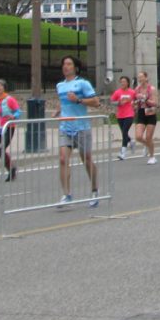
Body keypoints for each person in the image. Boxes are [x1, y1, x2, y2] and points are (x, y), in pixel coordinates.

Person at [54, 56, 101, 208]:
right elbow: (64, 102)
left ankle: (94, 191)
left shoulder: (83, 83)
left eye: (69, 64)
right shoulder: (60, 85)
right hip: (65, 127)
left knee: (86, 159)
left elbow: (96, 102)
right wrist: (59, 110)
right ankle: (66, 194)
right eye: (64, 64)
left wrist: (79, 100)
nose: (66, 67)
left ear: (75, 67)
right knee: (62, 159)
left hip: (81, 127)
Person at [133, 70, 158, 165]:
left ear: (146, 78)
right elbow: (135, 101)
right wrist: (134, 103)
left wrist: (145, 99)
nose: (140, 79)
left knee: (148, 137)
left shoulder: (151, 89)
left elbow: (155, 103)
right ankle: (147, 145)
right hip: (141, 113)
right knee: (138, 136)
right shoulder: (137, 89)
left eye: (141, 77)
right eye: (139, 78)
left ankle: (152, 157)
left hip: (150, 113)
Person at [111, 76, 135, 160]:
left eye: (124, 81)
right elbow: (112, 101)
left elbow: (136, 100)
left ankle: (123, 153)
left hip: (129, 115)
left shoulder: (132, 92)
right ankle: (131, 141)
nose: (122, 83)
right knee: (124, 132)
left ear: (127, 83)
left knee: (124, 131)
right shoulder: (117, 92)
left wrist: (134, 103)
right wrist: (118, 103)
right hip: (120, 115)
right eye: (121, 82)